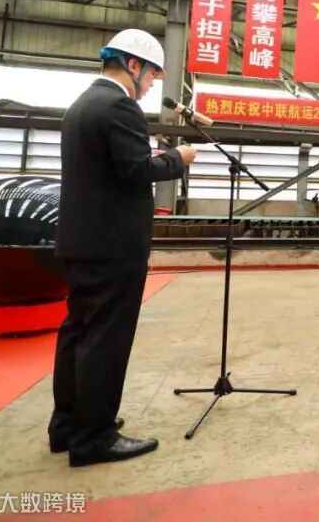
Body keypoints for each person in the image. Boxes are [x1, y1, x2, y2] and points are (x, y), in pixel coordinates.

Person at [49, 29, 196, 468]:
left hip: (81, 241)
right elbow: (136, 169)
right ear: (133, 65)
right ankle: (94, 438)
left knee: (78, 332)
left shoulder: (82, 104)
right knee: (105, 341)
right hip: (112, 246)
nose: (150, 85)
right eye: (150, 75)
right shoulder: (118, 106)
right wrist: (179, 160)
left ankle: (68, 425)